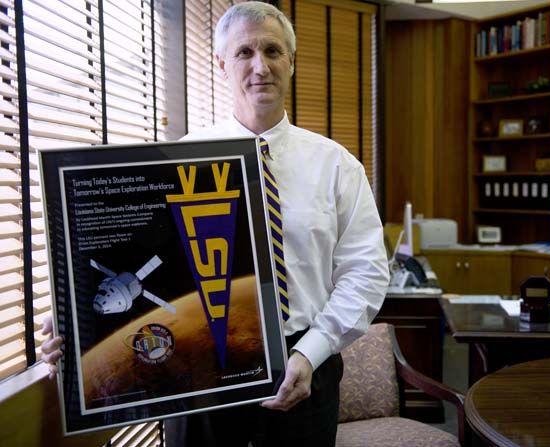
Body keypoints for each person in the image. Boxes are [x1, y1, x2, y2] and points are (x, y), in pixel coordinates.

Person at [41, 2, 389, 446]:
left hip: (306, 364)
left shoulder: (337, 166)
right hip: (200, 369)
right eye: (244, 52)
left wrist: (311, 352)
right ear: (222, 64)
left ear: (292, 63)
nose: (260, 66)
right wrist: (77, 312)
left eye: (273, 51)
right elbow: (132, 249)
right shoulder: (174, 163)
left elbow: (366, 272)